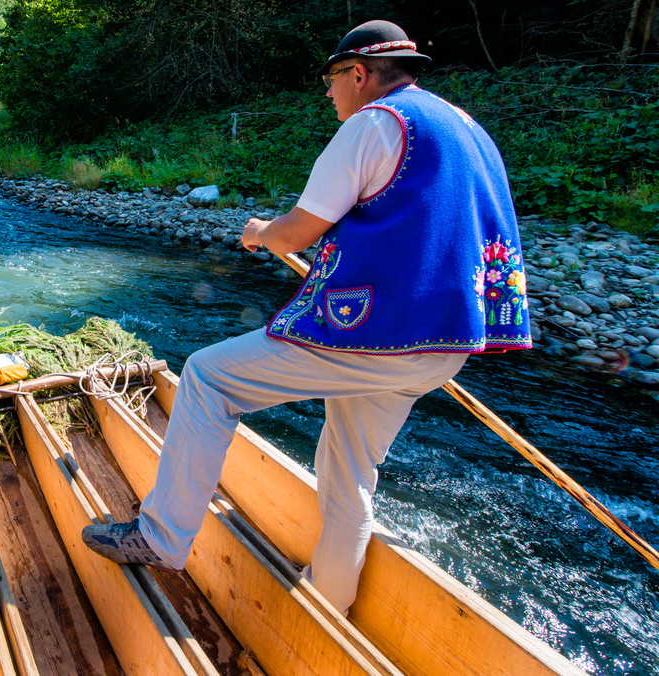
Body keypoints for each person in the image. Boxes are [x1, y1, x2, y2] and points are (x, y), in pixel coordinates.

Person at [81, 19, 532, 614]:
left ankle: (160, 538)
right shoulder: (470, 131)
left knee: (208, 378)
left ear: (360, 74)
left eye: (332, 78)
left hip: (374, 334)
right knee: (350, 470)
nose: (328, 93)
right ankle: (330, 598)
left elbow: (301, 228)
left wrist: (261, 233)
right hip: (450, 345)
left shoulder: (377, 122)